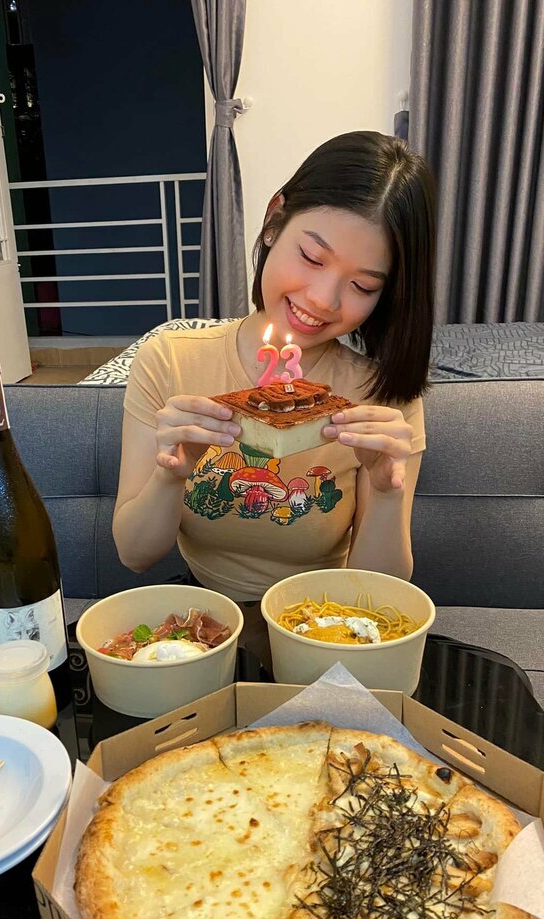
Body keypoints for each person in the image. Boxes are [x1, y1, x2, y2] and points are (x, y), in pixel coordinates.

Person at [113, 131, 436, 603]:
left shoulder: (383, 396)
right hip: (211, 617)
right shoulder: (170, 360)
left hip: (322, 617)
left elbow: (379, 594)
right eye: (311, 257)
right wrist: (171, 474)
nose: (322, 300)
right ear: (273, 221)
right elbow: (134, 554)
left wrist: (388, 492)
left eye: (362, 286)